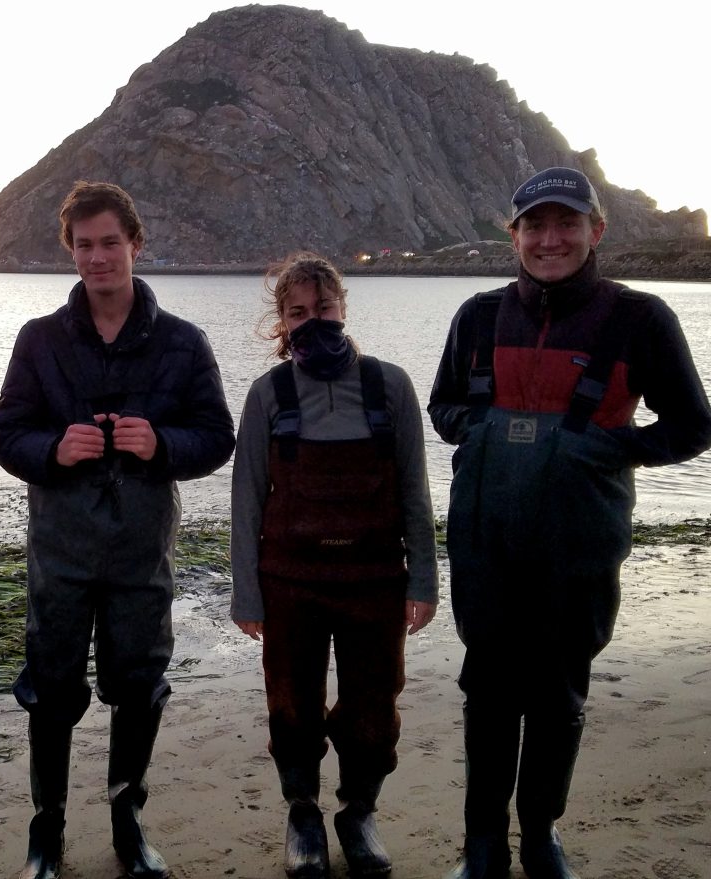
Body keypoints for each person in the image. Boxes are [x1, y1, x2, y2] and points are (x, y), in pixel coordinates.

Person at [429, 167, 711, 879]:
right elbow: (443, 407)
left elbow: (692, 425)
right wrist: (486, 428)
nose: (549, 239)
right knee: (489, 689)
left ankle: (541, 834)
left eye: (566, 224)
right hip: (485, 537)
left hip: (580, 539)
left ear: (596, 230)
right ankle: (484, 842)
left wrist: (609, 448)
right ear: (514, 234)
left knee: (558, 691)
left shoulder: (639, 319)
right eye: (534, 225)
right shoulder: (478, 315)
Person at [0, 180, 235, 879]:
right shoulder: (38, 340)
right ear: (71, 251)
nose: (98, 257)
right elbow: (6, 434)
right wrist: (52, 450)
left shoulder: (184, 342)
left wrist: (160, 442)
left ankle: (128, 819)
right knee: (51, 687)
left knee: (139, 682)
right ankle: (48, 828)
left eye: (110, 243)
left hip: (141, 549)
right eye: (84, 245)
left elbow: (217, 436)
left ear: (136, 243)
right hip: (61, 550)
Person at [231, 253, 439, 879]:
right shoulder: (268, 394)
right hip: (289, 584)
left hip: (376, 584)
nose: (312, 320)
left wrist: (424, 581)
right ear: (283, 322)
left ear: (343, 308)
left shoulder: (390, 386)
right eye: (298, 312)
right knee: (291, 705)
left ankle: (359, 812)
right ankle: (302, 814)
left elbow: (414, 492)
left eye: (323, 309)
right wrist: (247, 593)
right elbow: (247, 500)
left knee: (373, 711)